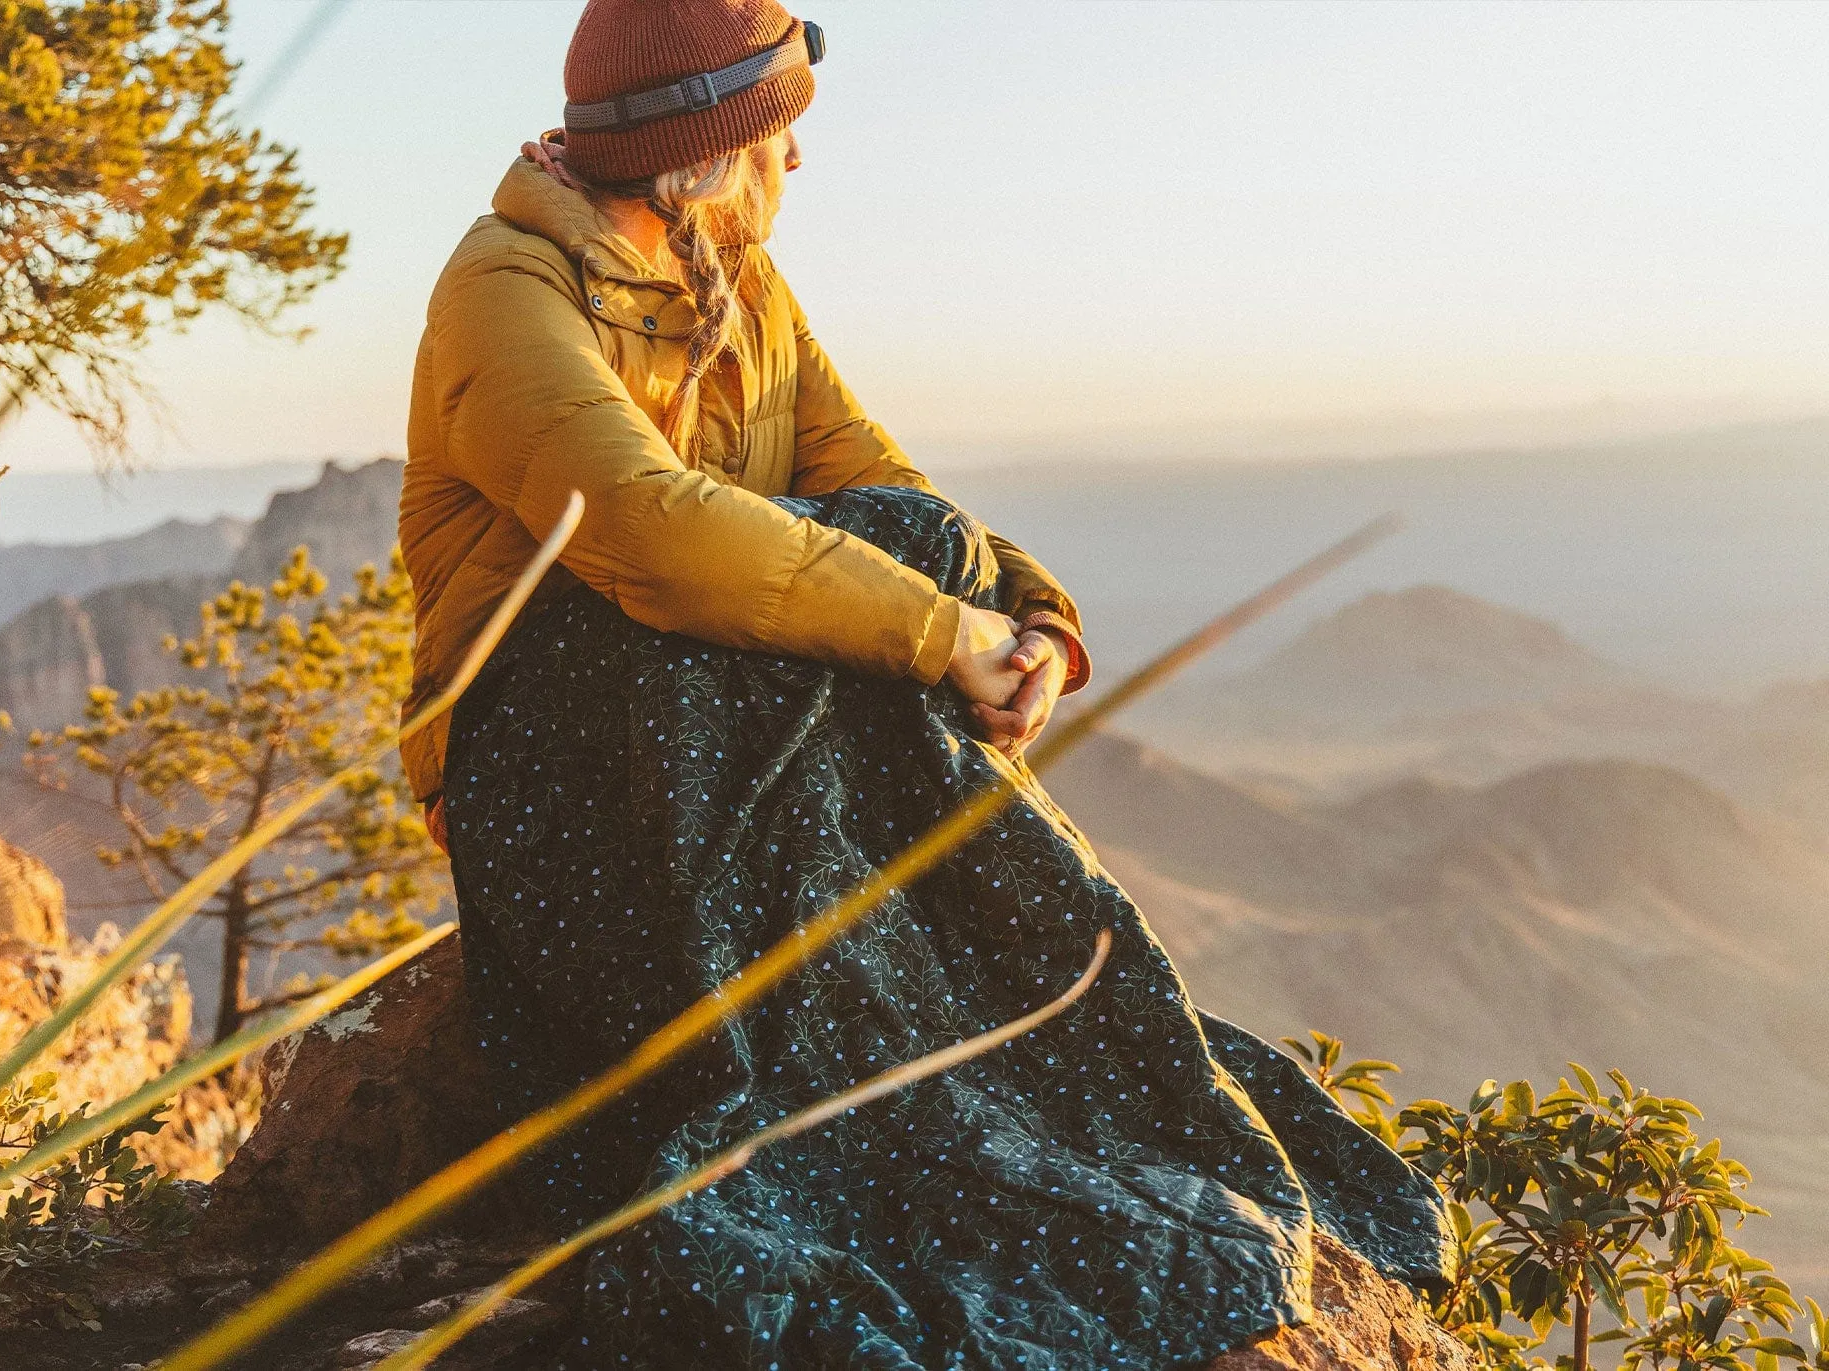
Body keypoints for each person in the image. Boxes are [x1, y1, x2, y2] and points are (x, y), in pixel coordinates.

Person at [399, 2, 1453, 1365]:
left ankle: (973, 1029)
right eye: (782, 139)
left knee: (924, 543)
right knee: (894, 576)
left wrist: (1028, 617)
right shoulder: (504, 289)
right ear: (707, 154)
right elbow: (649, 532)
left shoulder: (740, 285)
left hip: (708, 745)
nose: (799, 169)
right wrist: (944, 638)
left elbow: (871, 474)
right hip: (557, 777)